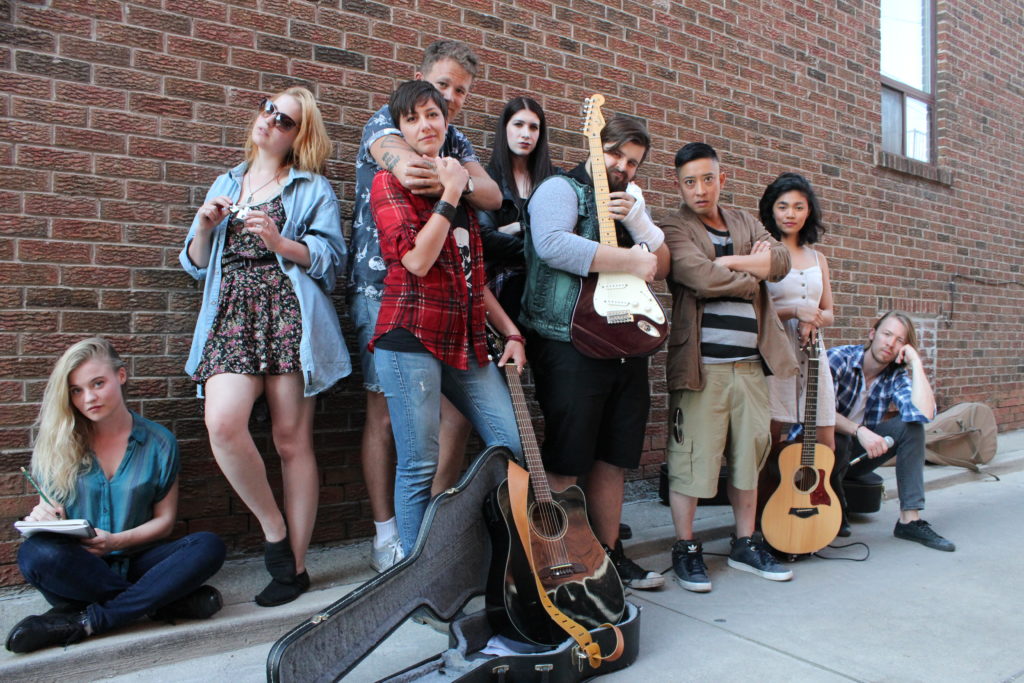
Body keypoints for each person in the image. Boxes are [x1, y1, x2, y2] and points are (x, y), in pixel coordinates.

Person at [180, 87, 349, 606]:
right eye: (267, 110)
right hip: (231, 312)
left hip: (287, 314)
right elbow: (193, 262)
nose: (270, 122)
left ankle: (293, 568)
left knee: (291, 441)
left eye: (285, 120)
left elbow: (331, 260)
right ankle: (274, 530)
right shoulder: (227, 181)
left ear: (300, 135)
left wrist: (279, 242)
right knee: (223, 423)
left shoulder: (311, 187)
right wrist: (206, 226)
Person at [347, 40, 502, 572]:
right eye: (443, 84)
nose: (451, 97)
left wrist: (463, 178)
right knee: (386, 419)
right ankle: (387, 535)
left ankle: (428, 533)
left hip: (449, 298)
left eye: (460, 91)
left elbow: (495, 196)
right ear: (420, 77)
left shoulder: (454, 136)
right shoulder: (385, 122)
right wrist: (457, 179)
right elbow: (411, 171)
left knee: (447, 422)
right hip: (383, 289)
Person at [370, 80, 525, 554]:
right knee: (418, 463)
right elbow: (416, 260)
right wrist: (451, 196)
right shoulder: (389, 182)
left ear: (446, 121)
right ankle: (416, 578)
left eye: (432, 115)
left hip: (465, 338)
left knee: (511, 447)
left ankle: (482, 546)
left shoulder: (459, 180)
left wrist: (512, 332)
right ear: (400, 129)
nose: (424, 125)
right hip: (408, 337)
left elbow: (471, 278)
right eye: (412, 119)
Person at [520, 113, 669, 590]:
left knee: (613, 456)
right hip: (568, 343)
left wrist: (641, 223)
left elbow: (661, 265)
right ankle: (568, 561)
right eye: (615, 154)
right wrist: (630, 257)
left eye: (632, 162)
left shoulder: (630, 202)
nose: (622, 167)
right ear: (594, 144)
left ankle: (610, 557)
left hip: (625, 343)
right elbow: (551, 244)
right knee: (569, 456)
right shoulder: (561, 189)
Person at [6, 338, 226, 654]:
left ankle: (86, 621)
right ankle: (161, 603)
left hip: (140, 561)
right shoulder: (58, 443)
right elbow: (52, 510)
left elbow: (164, 523)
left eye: (98, 383)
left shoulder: (158, 442)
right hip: (81, 568)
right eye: (76, 390)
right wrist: (45, 517)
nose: (89, 398)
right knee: (35, 555)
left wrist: (115, 542)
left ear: (120, 376)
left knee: (208, 546)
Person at [661, 142, 797, 593]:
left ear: (722, 178)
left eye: (706, 178)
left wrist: (734, 261)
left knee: (749, 458)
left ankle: (745, 543)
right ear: (678, 184)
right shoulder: (675, 225)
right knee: (692, 460)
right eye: (688, 181)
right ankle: (686, 549)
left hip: (751, 366)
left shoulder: (744, 221)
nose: (699, 189)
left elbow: (779, 261)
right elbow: (698, 276)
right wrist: (751, 272)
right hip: (702, 367)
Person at [757, 173, 842, 532]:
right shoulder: (763, 251)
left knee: (826, 434)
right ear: (771, 210)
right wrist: (795, 312)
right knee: (771, 436)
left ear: (808, 212)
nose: (790, 213)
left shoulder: (817, 257)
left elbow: (830, 310)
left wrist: (816, 319)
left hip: (813, 349)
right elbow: (757, 307)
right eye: (783, 206)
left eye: (798, 206)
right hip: (777, 350)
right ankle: (766, 516)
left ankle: (824, 509)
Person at [829, 311, 953, 551]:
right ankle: (833, 504)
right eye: (886, 334)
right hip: (819, 453)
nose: (890, 343)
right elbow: (816, 411)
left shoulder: (894, 376)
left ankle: (910, 520)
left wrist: (916, 363)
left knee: (911, 426)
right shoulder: (838, 359)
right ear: (872, 334)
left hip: (854, 457)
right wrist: (859, 430)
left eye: (899, 340)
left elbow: (923, 414)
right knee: (838, 435)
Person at [478, 96, 558, 322]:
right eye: (518, 124)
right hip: (504, 286)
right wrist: (536, 237)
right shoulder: (488, 179)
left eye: (534, 127)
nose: (526, 134)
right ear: (505, 129)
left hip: (549, 285)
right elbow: (483, 238)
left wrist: (513, 228)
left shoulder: (556, 179)